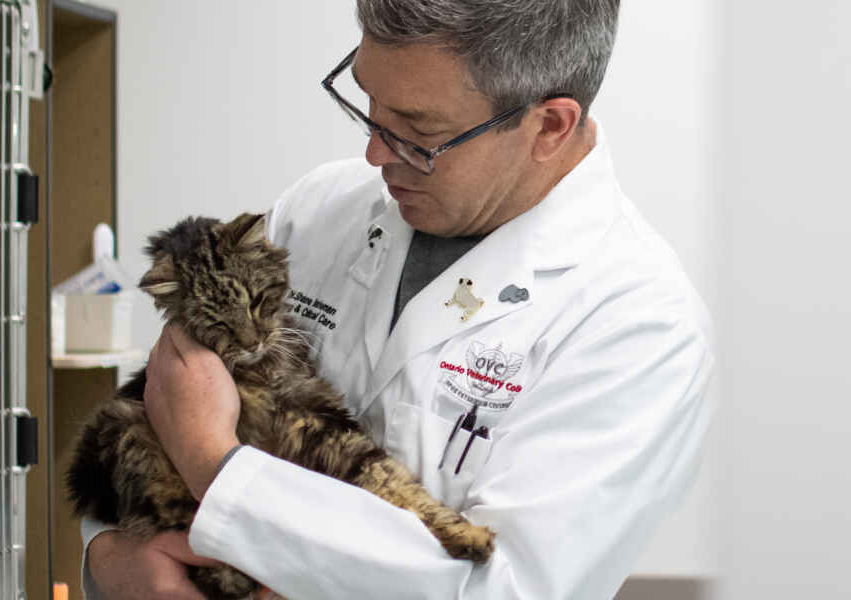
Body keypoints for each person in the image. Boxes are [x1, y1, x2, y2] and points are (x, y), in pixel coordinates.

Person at [82, 0, 713, 598]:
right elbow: (154, 414)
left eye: (417, 132)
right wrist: (105, 556)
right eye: (366, 102)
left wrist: (212, 466)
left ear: (548, 126)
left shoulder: (638, 323)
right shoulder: (319, 213)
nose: (373, 153)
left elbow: (501, 586)